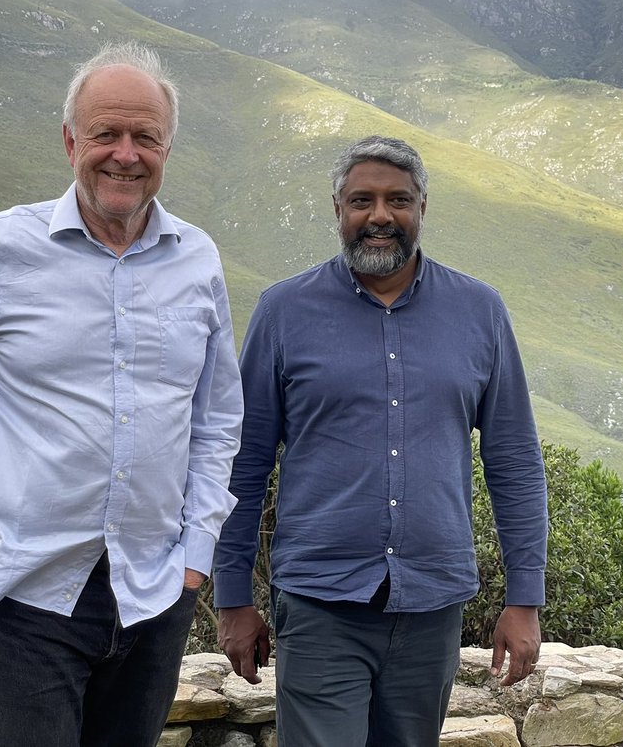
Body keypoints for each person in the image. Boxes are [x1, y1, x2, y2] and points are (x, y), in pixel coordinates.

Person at [0, 42, 243, 747]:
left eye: (145, 137)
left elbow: (215, 418)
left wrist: (196, 552)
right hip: (33, 599)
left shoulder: (197, 259)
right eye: (106, 133)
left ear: (167, 148)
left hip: (156, 594)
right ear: (70, 142)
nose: (125, 154)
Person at [213, 135, 548, 746]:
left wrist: (525, 598)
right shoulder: (283, 312)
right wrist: (232, 596)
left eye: (398, 200)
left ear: (422, 207)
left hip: (432, 606)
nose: (380, 216)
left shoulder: (480, 311)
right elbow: (243, 463)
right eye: (362, 200)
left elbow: (515, 461)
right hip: (319, 604)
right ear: (338, 209)